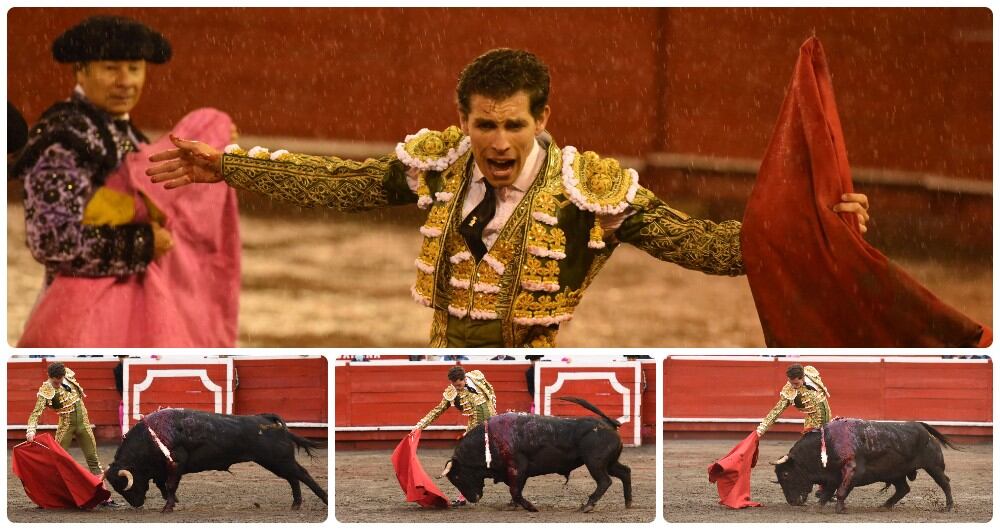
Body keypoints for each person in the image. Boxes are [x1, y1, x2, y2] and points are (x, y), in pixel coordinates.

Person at [146, 48, 870, 347]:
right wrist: (230, 168)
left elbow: (707, 248)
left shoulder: (593, 191)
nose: (496, 143)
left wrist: (818, 230)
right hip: (441, 360)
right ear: (463, 118)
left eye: (513, 126)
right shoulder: (440, 164)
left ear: (543, 120)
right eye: (483, 124)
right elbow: (339, 186)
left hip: (536, 370)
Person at [13, 16, 241, 348]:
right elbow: (55, 243)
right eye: (110, 68)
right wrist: (144, 244)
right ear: (80, 70)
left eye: (134, 69)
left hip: (121, 317)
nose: (125, 82)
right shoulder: (61, 140)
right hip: (83, 317)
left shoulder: (128, 135)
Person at [26, 361, 111, 502]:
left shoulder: (69, 375)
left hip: (84, 424)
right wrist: (30, 430)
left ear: (63, 375)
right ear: (50, 377)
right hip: (66, 427)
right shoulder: (46, 390)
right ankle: (48, 496)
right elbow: (36, 413)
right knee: (56, 462)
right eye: (55, 382)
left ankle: (103, 496)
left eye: (59, 380)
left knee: (93, 460)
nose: (57, 384)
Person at [412, 365, 497, 506]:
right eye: (454, 385)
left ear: (465, 378)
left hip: (494, 424)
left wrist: (495, 412)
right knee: (465, 463)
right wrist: (419, 426)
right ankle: (462, 496)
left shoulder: (477, 376)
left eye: (459, 385)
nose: (457, 388)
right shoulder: (452, 393)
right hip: (475, 431)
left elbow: (490, 391)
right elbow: (437, 411)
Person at [756, 363, 833, 462]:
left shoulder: (811, 372)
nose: (793, 386)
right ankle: (791, 458)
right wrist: (761, 429)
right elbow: (776, 411)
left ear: (803, 377)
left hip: (828, 420)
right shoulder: (789, 391)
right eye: (790, 382)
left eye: (796, 383)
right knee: (811, 447)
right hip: (813, 423)